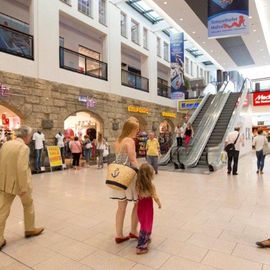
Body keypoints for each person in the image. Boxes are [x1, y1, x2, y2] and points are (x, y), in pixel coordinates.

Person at [0, 126, 44, 250]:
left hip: (4, 182)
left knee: (2, 210)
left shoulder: (6, 144)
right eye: (30, 136)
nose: (30, 139)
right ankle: (30, 229)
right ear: (26, 136)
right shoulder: (23, 148)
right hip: (19, 184)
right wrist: (24, 187)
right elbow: (22, 169)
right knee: (28, 204)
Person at [111, 119, 139, 244]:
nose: (137, 132)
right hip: (129, 175)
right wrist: (142, 173)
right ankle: (133, 231)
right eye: (136, 129)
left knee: (121, 206)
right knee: (137, 203)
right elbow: (133, 160)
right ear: (131, 129)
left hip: (118, 175)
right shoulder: (130, 141)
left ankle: (119, 234)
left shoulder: (118, 140)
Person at [136, 163, 161, 254]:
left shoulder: (138, 185)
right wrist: (159, 204)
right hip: (148, 210)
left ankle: (147, 237)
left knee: (143, 223)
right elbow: (155, 197)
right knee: (146, 225)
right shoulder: (151, 186)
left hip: (140, 209)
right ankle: (141, 247)